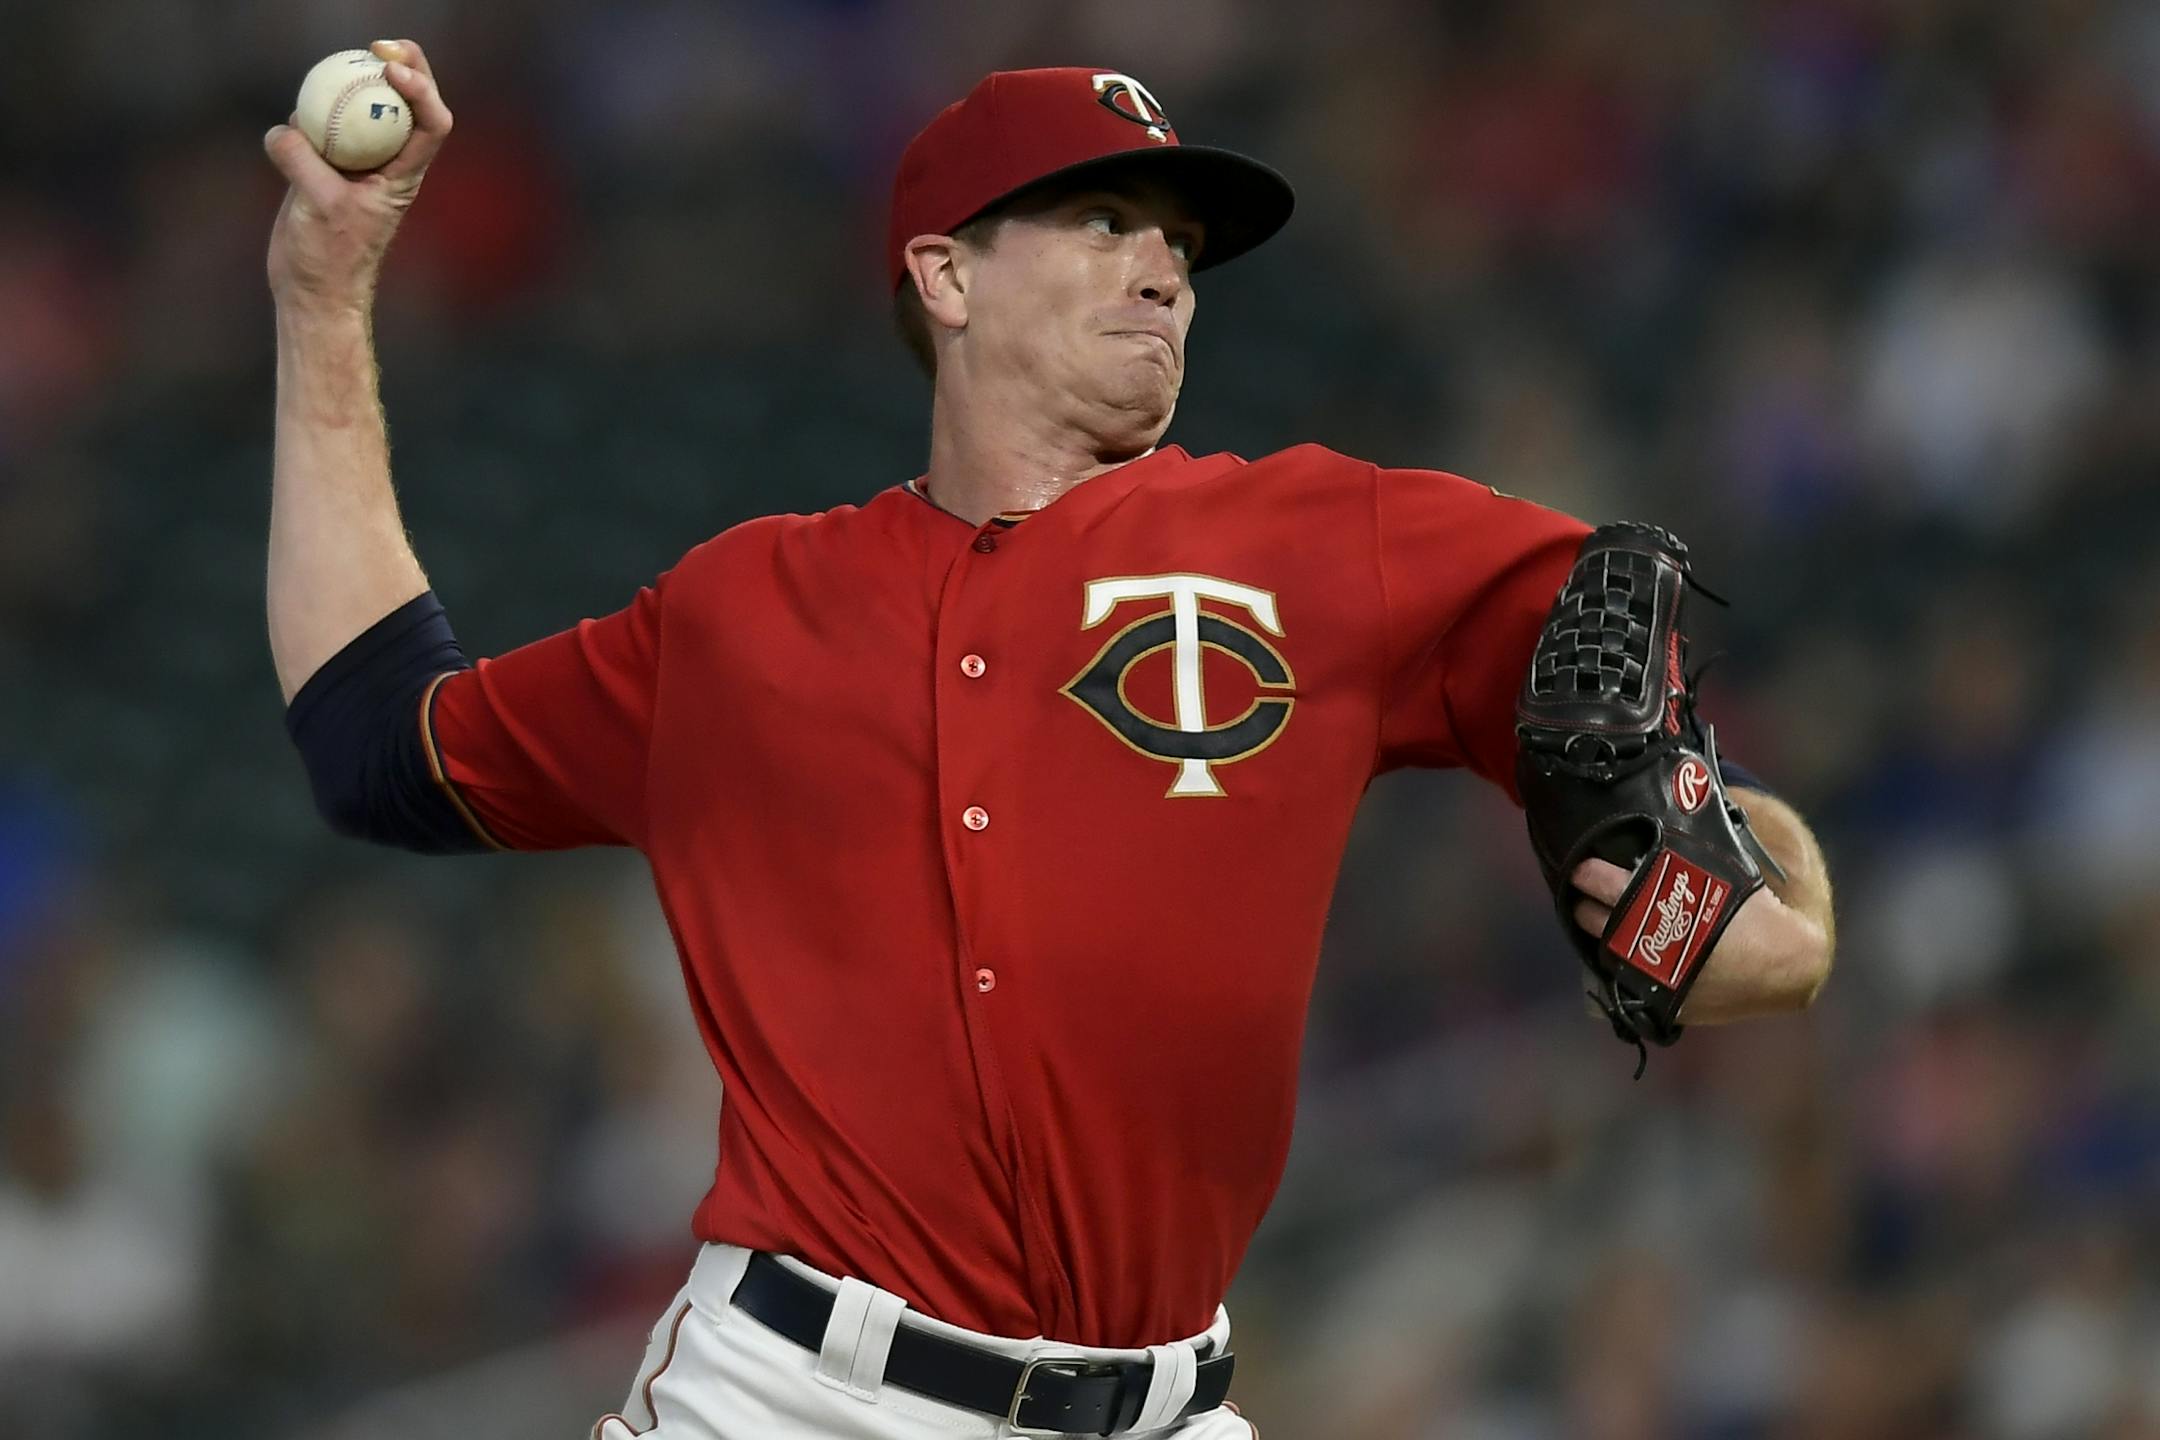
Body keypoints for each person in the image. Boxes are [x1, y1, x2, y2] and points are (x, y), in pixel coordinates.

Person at [263, 45, 1836, 1440]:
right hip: (795, 1396)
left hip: (1163, 1406)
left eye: (1180, 243)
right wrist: (324, 302)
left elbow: (1626, 689)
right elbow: (375, 745)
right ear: (945, 277)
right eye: (1101, 223)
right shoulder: (746, 611)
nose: (1163, 271)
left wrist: (1765, 896)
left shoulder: (1319, 539)